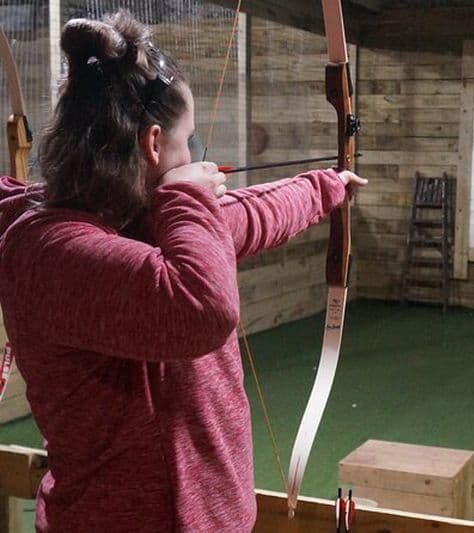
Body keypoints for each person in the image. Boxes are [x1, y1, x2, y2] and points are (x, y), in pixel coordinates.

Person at [0, 10, 366, 533]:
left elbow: (246, 217)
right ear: (152, 145)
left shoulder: (149, 221)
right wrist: (187, 194)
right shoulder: (52, 255)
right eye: (188, 142)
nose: (196, 156)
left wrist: (326, 186)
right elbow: (203, 308)